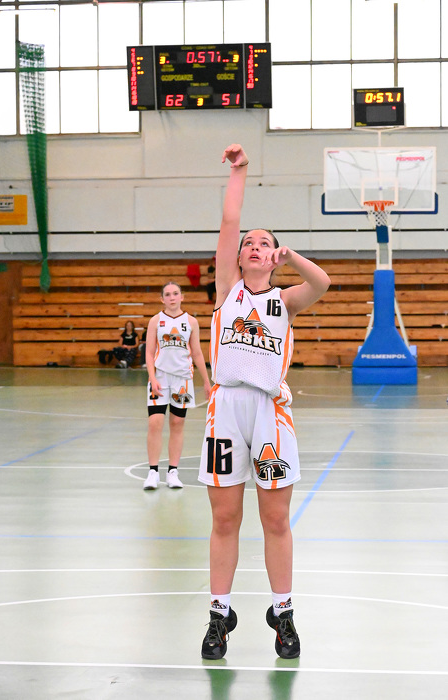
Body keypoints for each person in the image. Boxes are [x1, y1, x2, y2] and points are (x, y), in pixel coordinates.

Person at [198, 144, 331, 660]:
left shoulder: (285, 300)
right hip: (226, 411)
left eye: (264, 243)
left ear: (273, 256)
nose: (254, 246)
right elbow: (230, 220)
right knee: (225, 518)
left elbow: (322, 282)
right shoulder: (227, 290)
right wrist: (240, 171)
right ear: (237, 258)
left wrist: (291, 256)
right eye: (249, 244)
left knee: (275, 520)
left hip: (270, 413)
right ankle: (219, 614)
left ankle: (283, 612)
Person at [143, 281, 211, 490]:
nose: (172, 297)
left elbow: (197, 353)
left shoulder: (191, 322)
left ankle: (173, 471)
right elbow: (149, 352)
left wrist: (206, 381)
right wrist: (152, 377)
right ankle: (153, 472)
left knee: (177, 423)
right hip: (160, 378)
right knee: (155, 422)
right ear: (162, 299)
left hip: (182, 379)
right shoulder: (156, 321)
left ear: (182, 297)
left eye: (175, 293)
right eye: (167, 294)